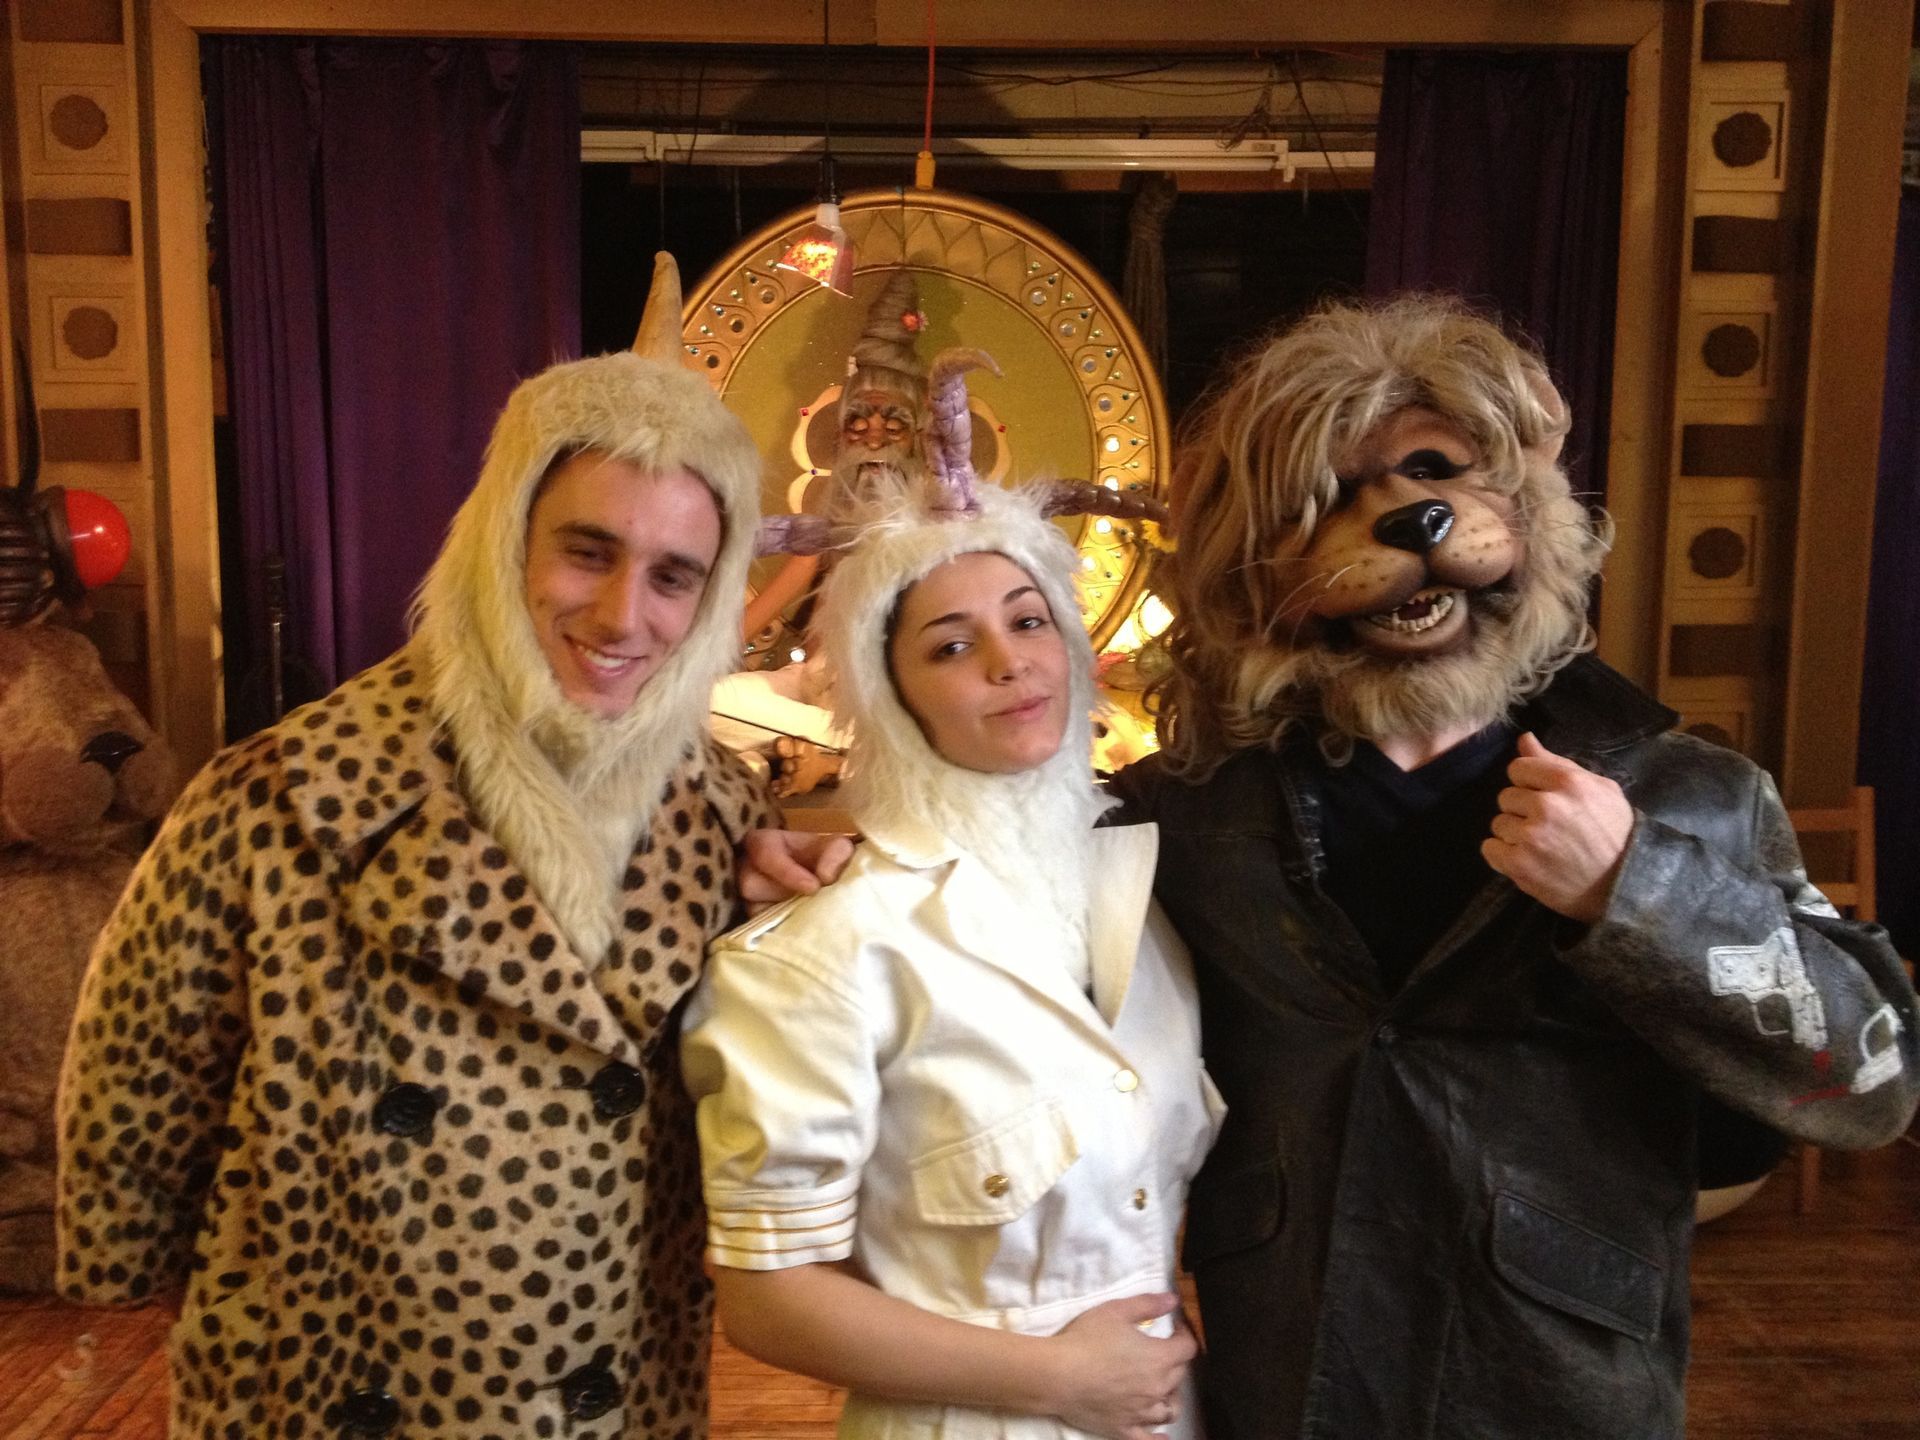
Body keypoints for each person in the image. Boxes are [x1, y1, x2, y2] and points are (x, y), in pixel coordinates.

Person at [1110, 297, 1920, 1439]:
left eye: (1436, 469)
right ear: (1252, 565)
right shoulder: (1190, 811)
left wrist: (1638, 889)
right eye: (1327, 495)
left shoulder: (1687, 794)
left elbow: (1874, 1084)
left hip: (1558, 1387)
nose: (1404, 515)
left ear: (1528, 508)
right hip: (1289, 1376)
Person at [56, 255, 774, 1440]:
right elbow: (141, 1073)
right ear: (503, 538)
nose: (622, 615)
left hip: (613, 1381)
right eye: (587, 551)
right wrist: (146, 1271)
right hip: (331, 1378)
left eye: (674, 577)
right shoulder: (284, 794)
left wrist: (818, 927)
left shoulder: (729, 817)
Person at [684, 473, 1220, 1440]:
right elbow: (766, 1299)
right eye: (953, 645)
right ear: (892, 693)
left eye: (1029, 620)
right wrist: (1059, 1379)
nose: (1011, 663)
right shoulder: (829, 948)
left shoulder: (1143, 898)